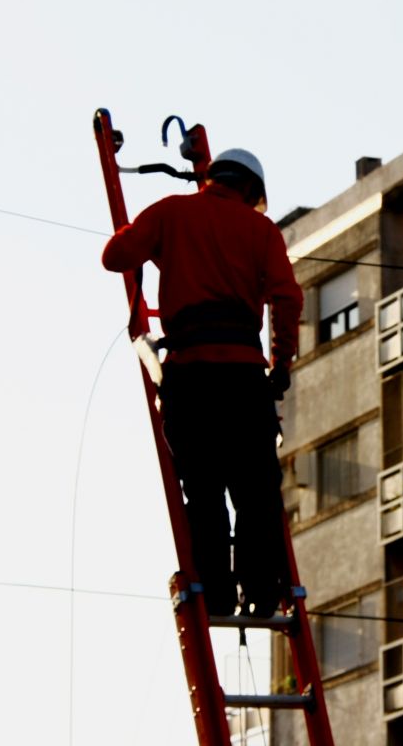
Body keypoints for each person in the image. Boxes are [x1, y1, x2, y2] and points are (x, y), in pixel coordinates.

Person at [102, 148, 303, 617]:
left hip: (189, 376)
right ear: (253, 191)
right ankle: (260, 591)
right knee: (256, 489)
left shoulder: (173, 212)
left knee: (204, 490)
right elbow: (286, 299)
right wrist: (282, 364)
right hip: (242, 377)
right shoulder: (261, 230)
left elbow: (115, 257)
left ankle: (214, 593)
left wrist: (158, 242)